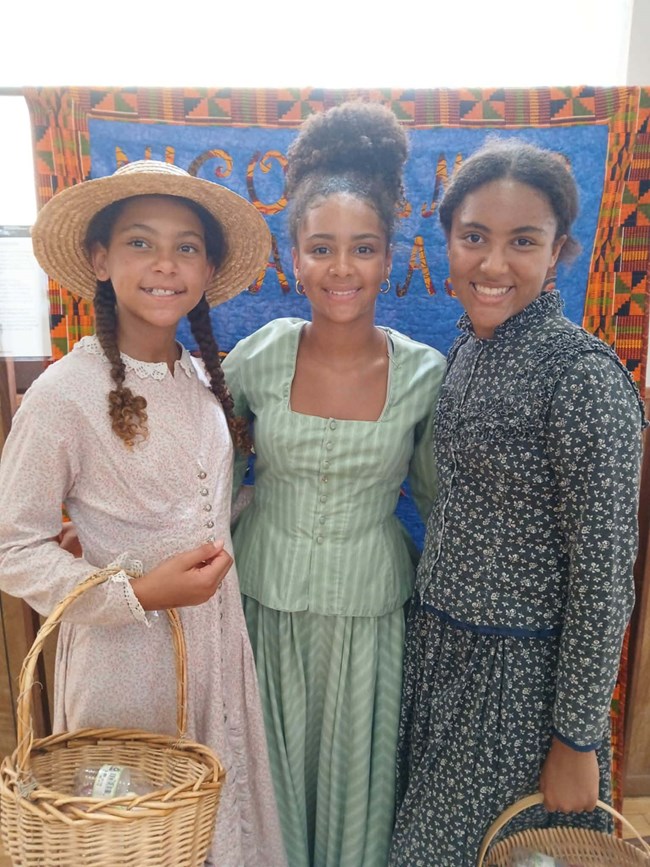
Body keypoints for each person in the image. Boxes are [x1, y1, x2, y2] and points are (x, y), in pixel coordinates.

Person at [0, 160, 286, 867]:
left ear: (209, 265)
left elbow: (201, 505)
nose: (165, 263)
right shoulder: (66, 394)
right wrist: (139, 591)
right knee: (132, 835)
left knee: (212, 824)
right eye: (139, 242)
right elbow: (13, 546)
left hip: (216, 648)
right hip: (124, 664)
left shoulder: (199, 380)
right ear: (99, 258)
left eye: (186, 245)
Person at [388, 138, 647, 866]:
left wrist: (576, 737)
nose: (493, 264)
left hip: (521, 690)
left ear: (560, 248)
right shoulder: (469, 348)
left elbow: (603, 579)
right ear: (447, 242)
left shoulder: (582, 378)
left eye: (522, 241)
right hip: (444, 658)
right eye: (475, 238)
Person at [221, 101, 446, 867]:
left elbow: (440, 502)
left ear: (390, 257)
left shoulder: (424, 372)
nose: (341, 269)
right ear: (294, 257)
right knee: (264, 793)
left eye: (363, 248)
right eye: (322, 248)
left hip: (368, 621)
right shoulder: (259, 356)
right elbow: (206, 467)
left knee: (357, 799)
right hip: (262, 609)